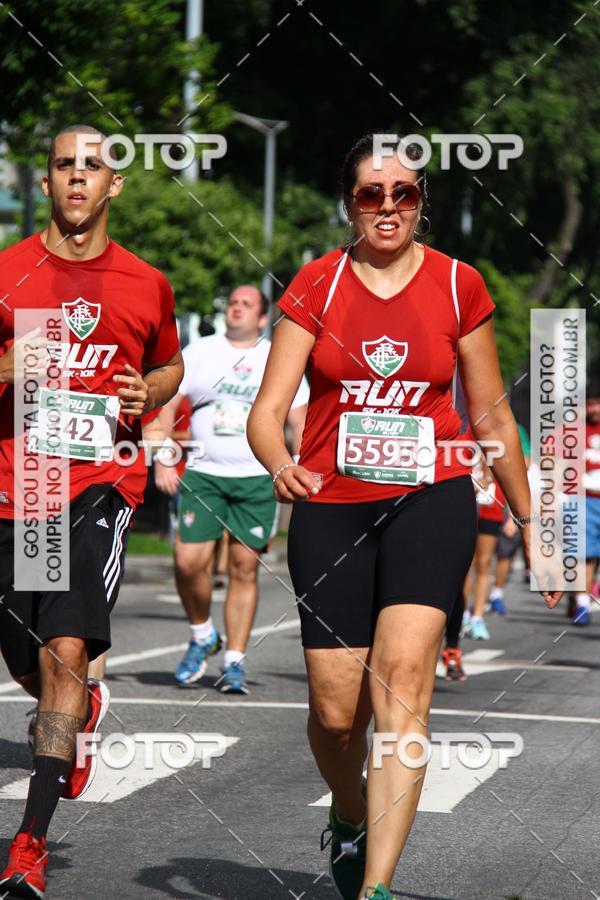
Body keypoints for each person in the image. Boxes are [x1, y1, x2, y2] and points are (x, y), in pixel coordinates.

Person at [247, 133, 561, 900]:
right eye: (371, 194)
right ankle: (350, 813)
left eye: (404, 193)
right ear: (349, 204)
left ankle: (377, 888)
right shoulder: (317, 284)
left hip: (432, 498)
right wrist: (279, 463)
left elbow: (491, 416)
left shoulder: (458, 284)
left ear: (422, 204)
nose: (388, 207)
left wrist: (537, 526)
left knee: (405, 683)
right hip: (331, 507)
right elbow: (267, 412)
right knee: (335, 713)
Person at [0, 124, 183, 898]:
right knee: (29, 660)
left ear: (115, 185)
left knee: (66, 651)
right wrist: (6, 364)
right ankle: (80, 711)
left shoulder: (145, 282)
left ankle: (29, 846)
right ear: (45, 182)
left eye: (93, 167)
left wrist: (151, 389)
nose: (78, 177)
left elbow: (168, 364)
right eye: (64, 165)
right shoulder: (8, 271)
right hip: (21, 485)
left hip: (98, 484)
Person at [153, 286, 309, 694]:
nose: (236, 309)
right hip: (203, 473)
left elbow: (299, 419)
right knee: (187, 562)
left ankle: (234, 660)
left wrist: (297, 466)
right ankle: (203, 633)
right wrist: (163, 457)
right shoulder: (200, 351)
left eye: (246, 304)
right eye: (234, 303)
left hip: (256, 477)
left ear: (262, 317)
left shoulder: (277, 355)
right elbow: (166, 405)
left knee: (244, 568)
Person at [488, 422, 531, 614]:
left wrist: (514, 515)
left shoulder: (516, 429)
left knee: (504, 552)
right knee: (479, 559)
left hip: (505, 501)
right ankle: (469, 606)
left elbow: (526, 462)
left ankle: (496, 593)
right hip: (483, 501)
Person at [462, 462, 506, 641]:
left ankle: (477, 617)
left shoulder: (493, 446)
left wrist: (487, 479)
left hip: (490, 508)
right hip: (465, 505)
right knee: (465, 564)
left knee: (483, 563)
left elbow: (508, 469)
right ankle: (463, 613)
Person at [573, 386, 600, 625]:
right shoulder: (576, 432)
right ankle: (582, 604)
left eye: (597, 403)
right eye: (590, 404)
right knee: (585, 554)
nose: (594, 409)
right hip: (585, 499)